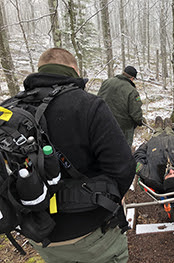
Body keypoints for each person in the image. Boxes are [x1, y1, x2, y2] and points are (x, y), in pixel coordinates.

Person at [19, 48, 135, 263]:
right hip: (91, 233)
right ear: (73, 70)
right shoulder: (87, 105)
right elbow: (124, 167)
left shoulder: (10, 109)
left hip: (37, 232)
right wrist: (106, 202)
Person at [98, 65, 143, 147]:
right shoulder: (132, 91)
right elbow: (136, 112)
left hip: (103, 123)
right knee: (123, 150)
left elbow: (98, 99)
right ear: (132, 78)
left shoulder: (106, 82)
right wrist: (140, 121)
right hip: (123, 128)